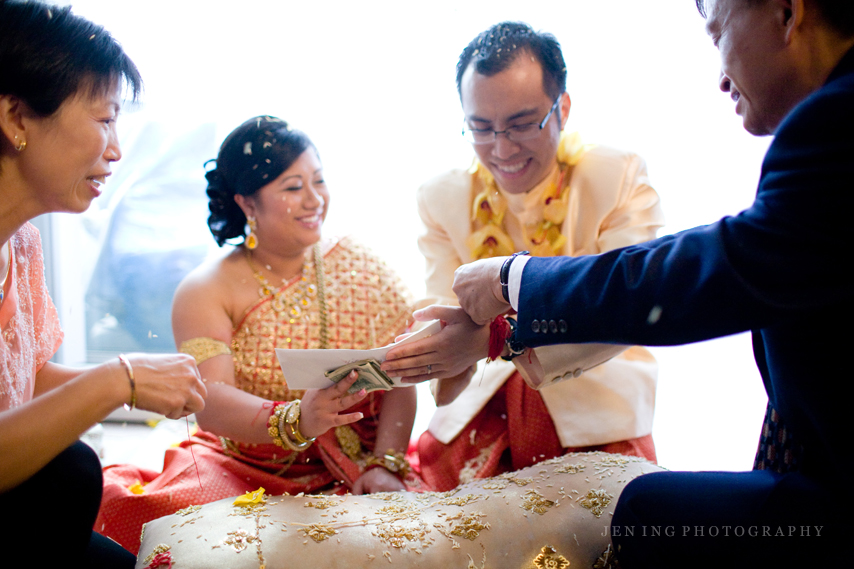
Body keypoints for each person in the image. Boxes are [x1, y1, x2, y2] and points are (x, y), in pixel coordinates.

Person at [451, 0, 854, 566]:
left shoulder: (836, 124)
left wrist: (511, 283)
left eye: (717, 35)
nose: (719, 76)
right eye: (482, 128)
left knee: (646, 510)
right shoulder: (439, 193)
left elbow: (696, 276)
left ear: (787, 14)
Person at [97, 116, 419, 554]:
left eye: (319, 180)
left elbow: (401, 371)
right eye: (292, 187)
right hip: (245, 463)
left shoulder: (358, 262)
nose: (314, 199)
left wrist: (387, 463)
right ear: (248, 203)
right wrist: (298, 420)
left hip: (358, 457)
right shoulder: (206, 289)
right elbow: (209, 400)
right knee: (193, 540)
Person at [381, 22, 664, 491]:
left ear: (562, 108)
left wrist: (491, 339)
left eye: (521, 124)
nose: (502, 148)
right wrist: (430, 352)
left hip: (594, 411)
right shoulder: (443, 197)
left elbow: (626, 306)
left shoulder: (616, 176)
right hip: (479, 413)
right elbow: (439, 316)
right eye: (481, 128)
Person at [0, 1, 206, 567]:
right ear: (16, 117)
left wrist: (139, 380)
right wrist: (117, 380)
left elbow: (26, 377)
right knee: (73, 471)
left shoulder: (19, 245)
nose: (116, 149)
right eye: (103, 118)